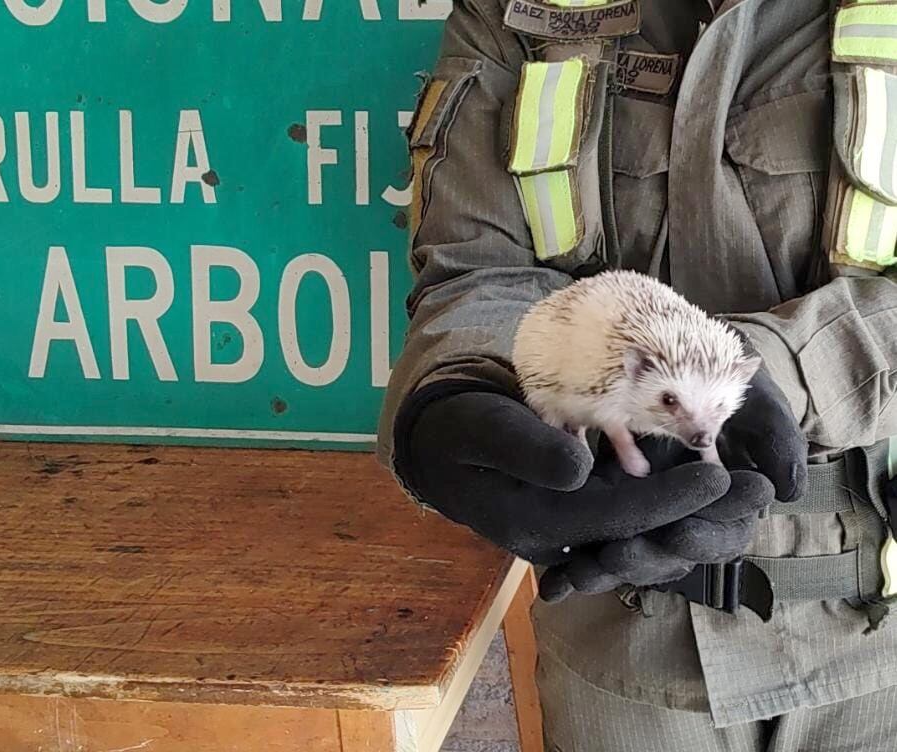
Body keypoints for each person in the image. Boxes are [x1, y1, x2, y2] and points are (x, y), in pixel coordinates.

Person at [378, 0, 897, 748]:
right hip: (615, 629)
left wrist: (766, 372)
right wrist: (458, 385)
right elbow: (476, 265)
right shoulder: (516, 12)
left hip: (876, 645)